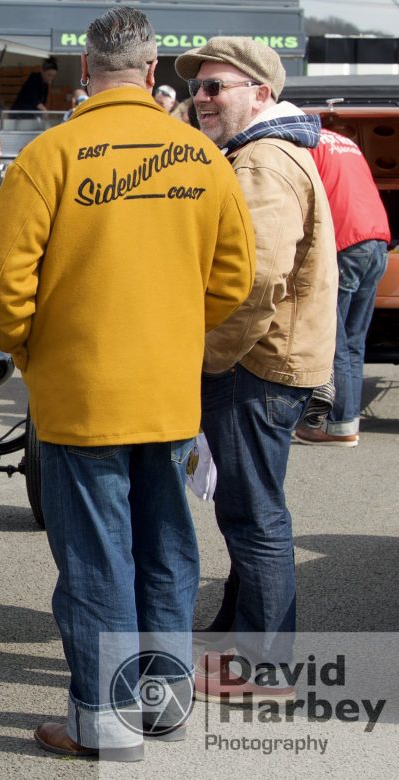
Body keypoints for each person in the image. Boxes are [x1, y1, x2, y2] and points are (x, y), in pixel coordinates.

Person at [0, 7, 255, 760]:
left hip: (79, 397)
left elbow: (2, 282)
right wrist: (170, 330)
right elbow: (233, 275)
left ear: (84, 73)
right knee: (167, 551)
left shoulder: (52, 155)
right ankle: (161, 709)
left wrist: (32, 347)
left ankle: (104, 723)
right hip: (167, 392)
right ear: (154, 70)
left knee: (98, 562)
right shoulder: (201, 159)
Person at [174, 37, 337, 699]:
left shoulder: (263, 161)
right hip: (269, 359)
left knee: (253, 515)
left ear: (261, 93)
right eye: (201, 88)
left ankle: (263, 666)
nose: (203, 99)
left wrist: (209, 356)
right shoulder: (264, 153)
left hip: (255, 364)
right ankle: (237, 638)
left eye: (218, 87)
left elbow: (256, 279)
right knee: (251, 508)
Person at [293, 127, 391, 446]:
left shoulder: (302, 145)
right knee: (353, 341)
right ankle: (345, 418)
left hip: (345, 242)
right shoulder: (345, 142)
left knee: (334, 338)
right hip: (377, 240)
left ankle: (339, 424)